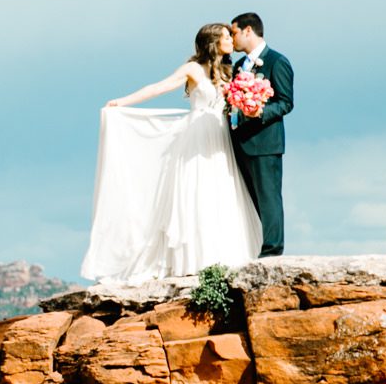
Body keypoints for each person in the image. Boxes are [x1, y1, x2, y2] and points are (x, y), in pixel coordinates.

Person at [79, 23, 263, 285]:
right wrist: (123, 102)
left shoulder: (228, 71)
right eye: (225, 37)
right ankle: (193, 259)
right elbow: (159, 87)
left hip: (220, 139)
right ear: (213, 41)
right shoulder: (193, 69)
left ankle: (222, 254)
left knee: (221, 191)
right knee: (195, 192)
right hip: (197, 138)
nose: (231, 41)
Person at [228, 13, 293, 257]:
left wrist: (259, 111)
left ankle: (272, 251)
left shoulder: (277, 62)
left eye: (234, 32)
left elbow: (286, 103)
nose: (232, 38)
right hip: (240, 142)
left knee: (269, 199)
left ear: (247, 31)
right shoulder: (238, 66)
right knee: (249, 200)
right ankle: (252, 245)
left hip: (266, 142)